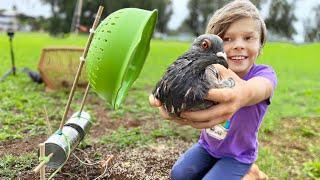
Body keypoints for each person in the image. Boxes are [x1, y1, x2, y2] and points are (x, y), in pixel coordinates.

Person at [149, 0, 277, 179]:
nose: (238, 45)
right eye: (226, 39)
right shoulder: (209, 72)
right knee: (178, 175)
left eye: (248, 38)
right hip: (208, 146)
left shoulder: (263, 74)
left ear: (260, 43)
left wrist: (243, 94)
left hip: (238, 155)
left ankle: (252, 173)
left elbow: (261, 88)